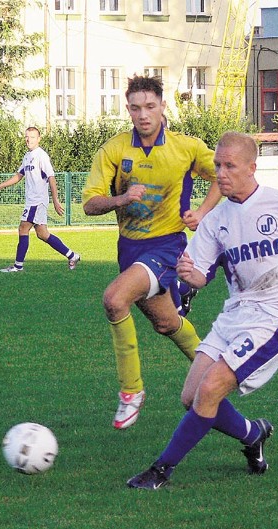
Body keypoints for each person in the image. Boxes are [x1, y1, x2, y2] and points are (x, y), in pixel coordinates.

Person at [127, 132, 278, 489]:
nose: (221, 173)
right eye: (216, 166)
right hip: (237, 311)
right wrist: (188, 276)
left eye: (229, 166)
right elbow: (201, 276)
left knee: (211, 389)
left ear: (251, 168)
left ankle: (162, 469)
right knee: (191, 397)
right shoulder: (215, 220)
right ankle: (252, 434)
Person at [82, 75, 221, 430]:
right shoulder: (113, 150)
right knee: (166, 323)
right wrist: (122, 198)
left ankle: (131, 391)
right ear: (127, 109)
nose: (143, 114)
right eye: (135, 107)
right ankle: (218, 367)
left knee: (114, 300)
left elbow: (223, 173)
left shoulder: (186, 147)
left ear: (162, 107)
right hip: (130, 250)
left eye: (150, 106)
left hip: (167, 247)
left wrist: (202, 212)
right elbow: (90, 204)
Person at [0, 127, 80, 272]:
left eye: (32, 137)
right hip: (33, 201)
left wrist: (56, 200)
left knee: (23, 227)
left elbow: (51, 177)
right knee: (42, 234)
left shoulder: (41, 156)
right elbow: (19, 175)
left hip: (37, 201)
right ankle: (72, 255)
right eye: (26, 137)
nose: (28, 139)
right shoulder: (27, 156)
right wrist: (1, 186)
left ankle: (18, 266)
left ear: (39, 139)